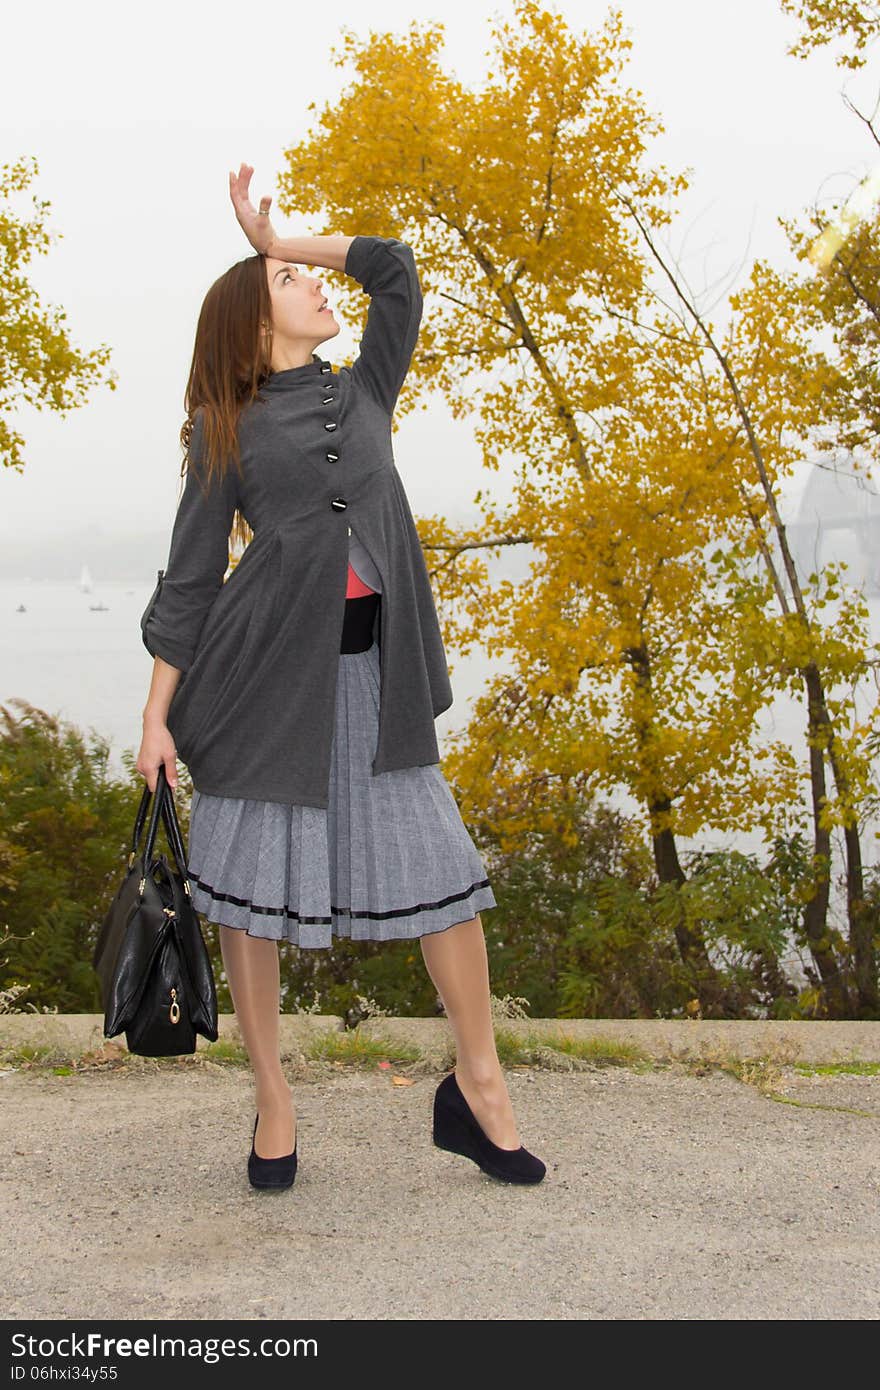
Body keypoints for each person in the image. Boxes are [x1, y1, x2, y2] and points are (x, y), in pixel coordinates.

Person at [135, 163, 545, 1190]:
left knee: (445, 877)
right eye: (288, 285)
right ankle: (272, 1098)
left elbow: (396, 271)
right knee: (253, 897)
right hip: (262, 689)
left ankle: (479, 1084)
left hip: (378, 681)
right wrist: (156, 720)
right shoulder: (221, 428)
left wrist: (282, 241)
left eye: (307, 277)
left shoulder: (365, 386)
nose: (318, 291)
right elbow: (189, 581)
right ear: (251, 322)